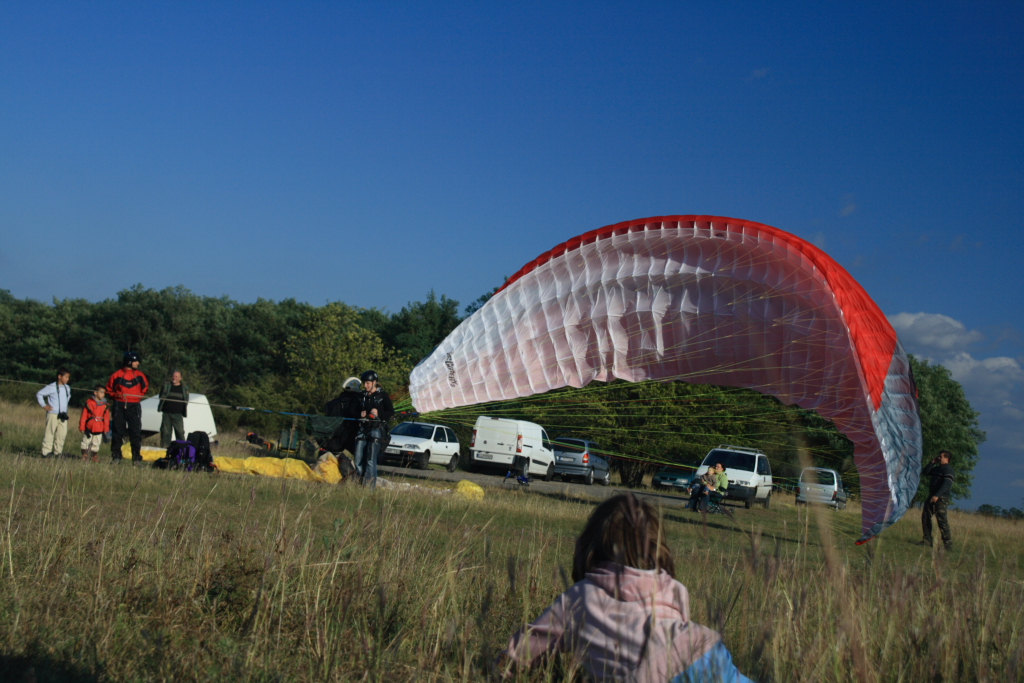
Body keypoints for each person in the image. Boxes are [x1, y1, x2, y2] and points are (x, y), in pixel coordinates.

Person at [503, 494, 754, 683]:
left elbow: (525, 648)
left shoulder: (579, 598)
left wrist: (499, 671)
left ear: (589, 547)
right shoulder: (674, 587)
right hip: (705, 651)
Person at [352, 370, 394, 488]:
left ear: (374, 382)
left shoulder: (382, 395)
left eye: (368, 383)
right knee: (358, 458)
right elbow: (352, 410)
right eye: (364, 383)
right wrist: (359, 414)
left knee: (370, 459)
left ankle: (370, 487)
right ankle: (361, 483)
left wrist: (379, 413)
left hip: (376, 429)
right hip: (362, 429)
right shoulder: (362, 396)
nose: (365, 386)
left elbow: (390, 412)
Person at [106, 351, 149, 463]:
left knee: (135, 432)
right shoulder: (116, 375)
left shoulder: (140, 375)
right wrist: (117, 397)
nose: (138, 363)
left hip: (134, 406)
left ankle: (136, 457)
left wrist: (137, 397)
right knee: (117, 432)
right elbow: (109, 389)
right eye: (136, 361)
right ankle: (116, 456)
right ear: (129, 362)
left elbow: (145, 388)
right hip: (119, 405)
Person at [920, 450, 955, 550]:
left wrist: (937, 495)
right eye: (939, 456)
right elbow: (926, 472)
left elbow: (946, 484)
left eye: (941, 457)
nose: (939, 458)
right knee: (926, 516)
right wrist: (932, 463)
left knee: (942, 520)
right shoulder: (937, 468)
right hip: (932, 495)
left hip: (941, 497)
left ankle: (948, 544)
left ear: (946, 458)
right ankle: (927, 540)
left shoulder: (948, 470)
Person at [36, 367, 72, 458]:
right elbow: (39, 394)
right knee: (50, 432)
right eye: (66, 377)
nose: (67, 379)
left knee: (62, 434)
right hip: (53, 413)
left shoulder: (67, 388)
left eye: (68, 377)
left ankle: (58, 452)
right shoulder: (51, 386)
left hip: (63, 414)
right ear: (59, 376)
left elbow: (68, 398)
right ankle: (46, 452)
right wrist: (44, 405)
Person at [157, 370, 190, 448]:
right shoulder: (166, 386)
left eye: (176, 376)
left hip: (178, 414)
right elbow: (161, 396)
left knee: (180, 432)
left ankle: (182, 449)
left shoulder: (184, 388)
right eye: (173, 376)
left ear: (180, 378)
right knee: (165, 432)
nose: (174, 378)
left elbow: (186, 400)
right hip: (166, 413)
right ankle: (165, 448)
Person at [79, 384, 110, 462]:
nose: (103, 394)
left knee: (96, 442)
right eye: (101, 392)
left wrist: (106, 428)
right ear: (95, 393)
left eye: (104, 393)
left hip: (99, 426)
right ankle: (84, 455)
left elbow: (106, 418)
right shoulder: (89, 403)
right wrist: (82, 427)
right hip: (89, 426)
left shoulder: (105, 405)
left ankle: (94, 456)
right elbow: (84, 416)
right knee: (86, 441)